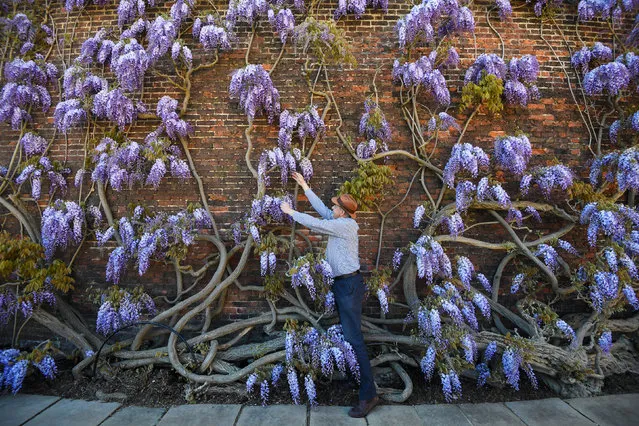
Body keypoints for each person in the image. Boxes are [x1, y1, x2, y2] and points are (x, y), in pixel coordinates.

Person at [280, 172, 380, 418]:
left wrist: (291, 213)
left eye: (335, 206)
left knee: (354, 339)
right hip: (343, 285)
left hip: (349, 287)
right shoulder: (341, 221)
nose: (332, 207)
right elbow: (322, 211)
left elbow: (317, 223)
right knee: (348, 336)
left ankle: (369, 395)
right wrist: (304, 186)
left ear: (342, 213)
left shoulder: (344, 227)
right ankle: (356, 380)